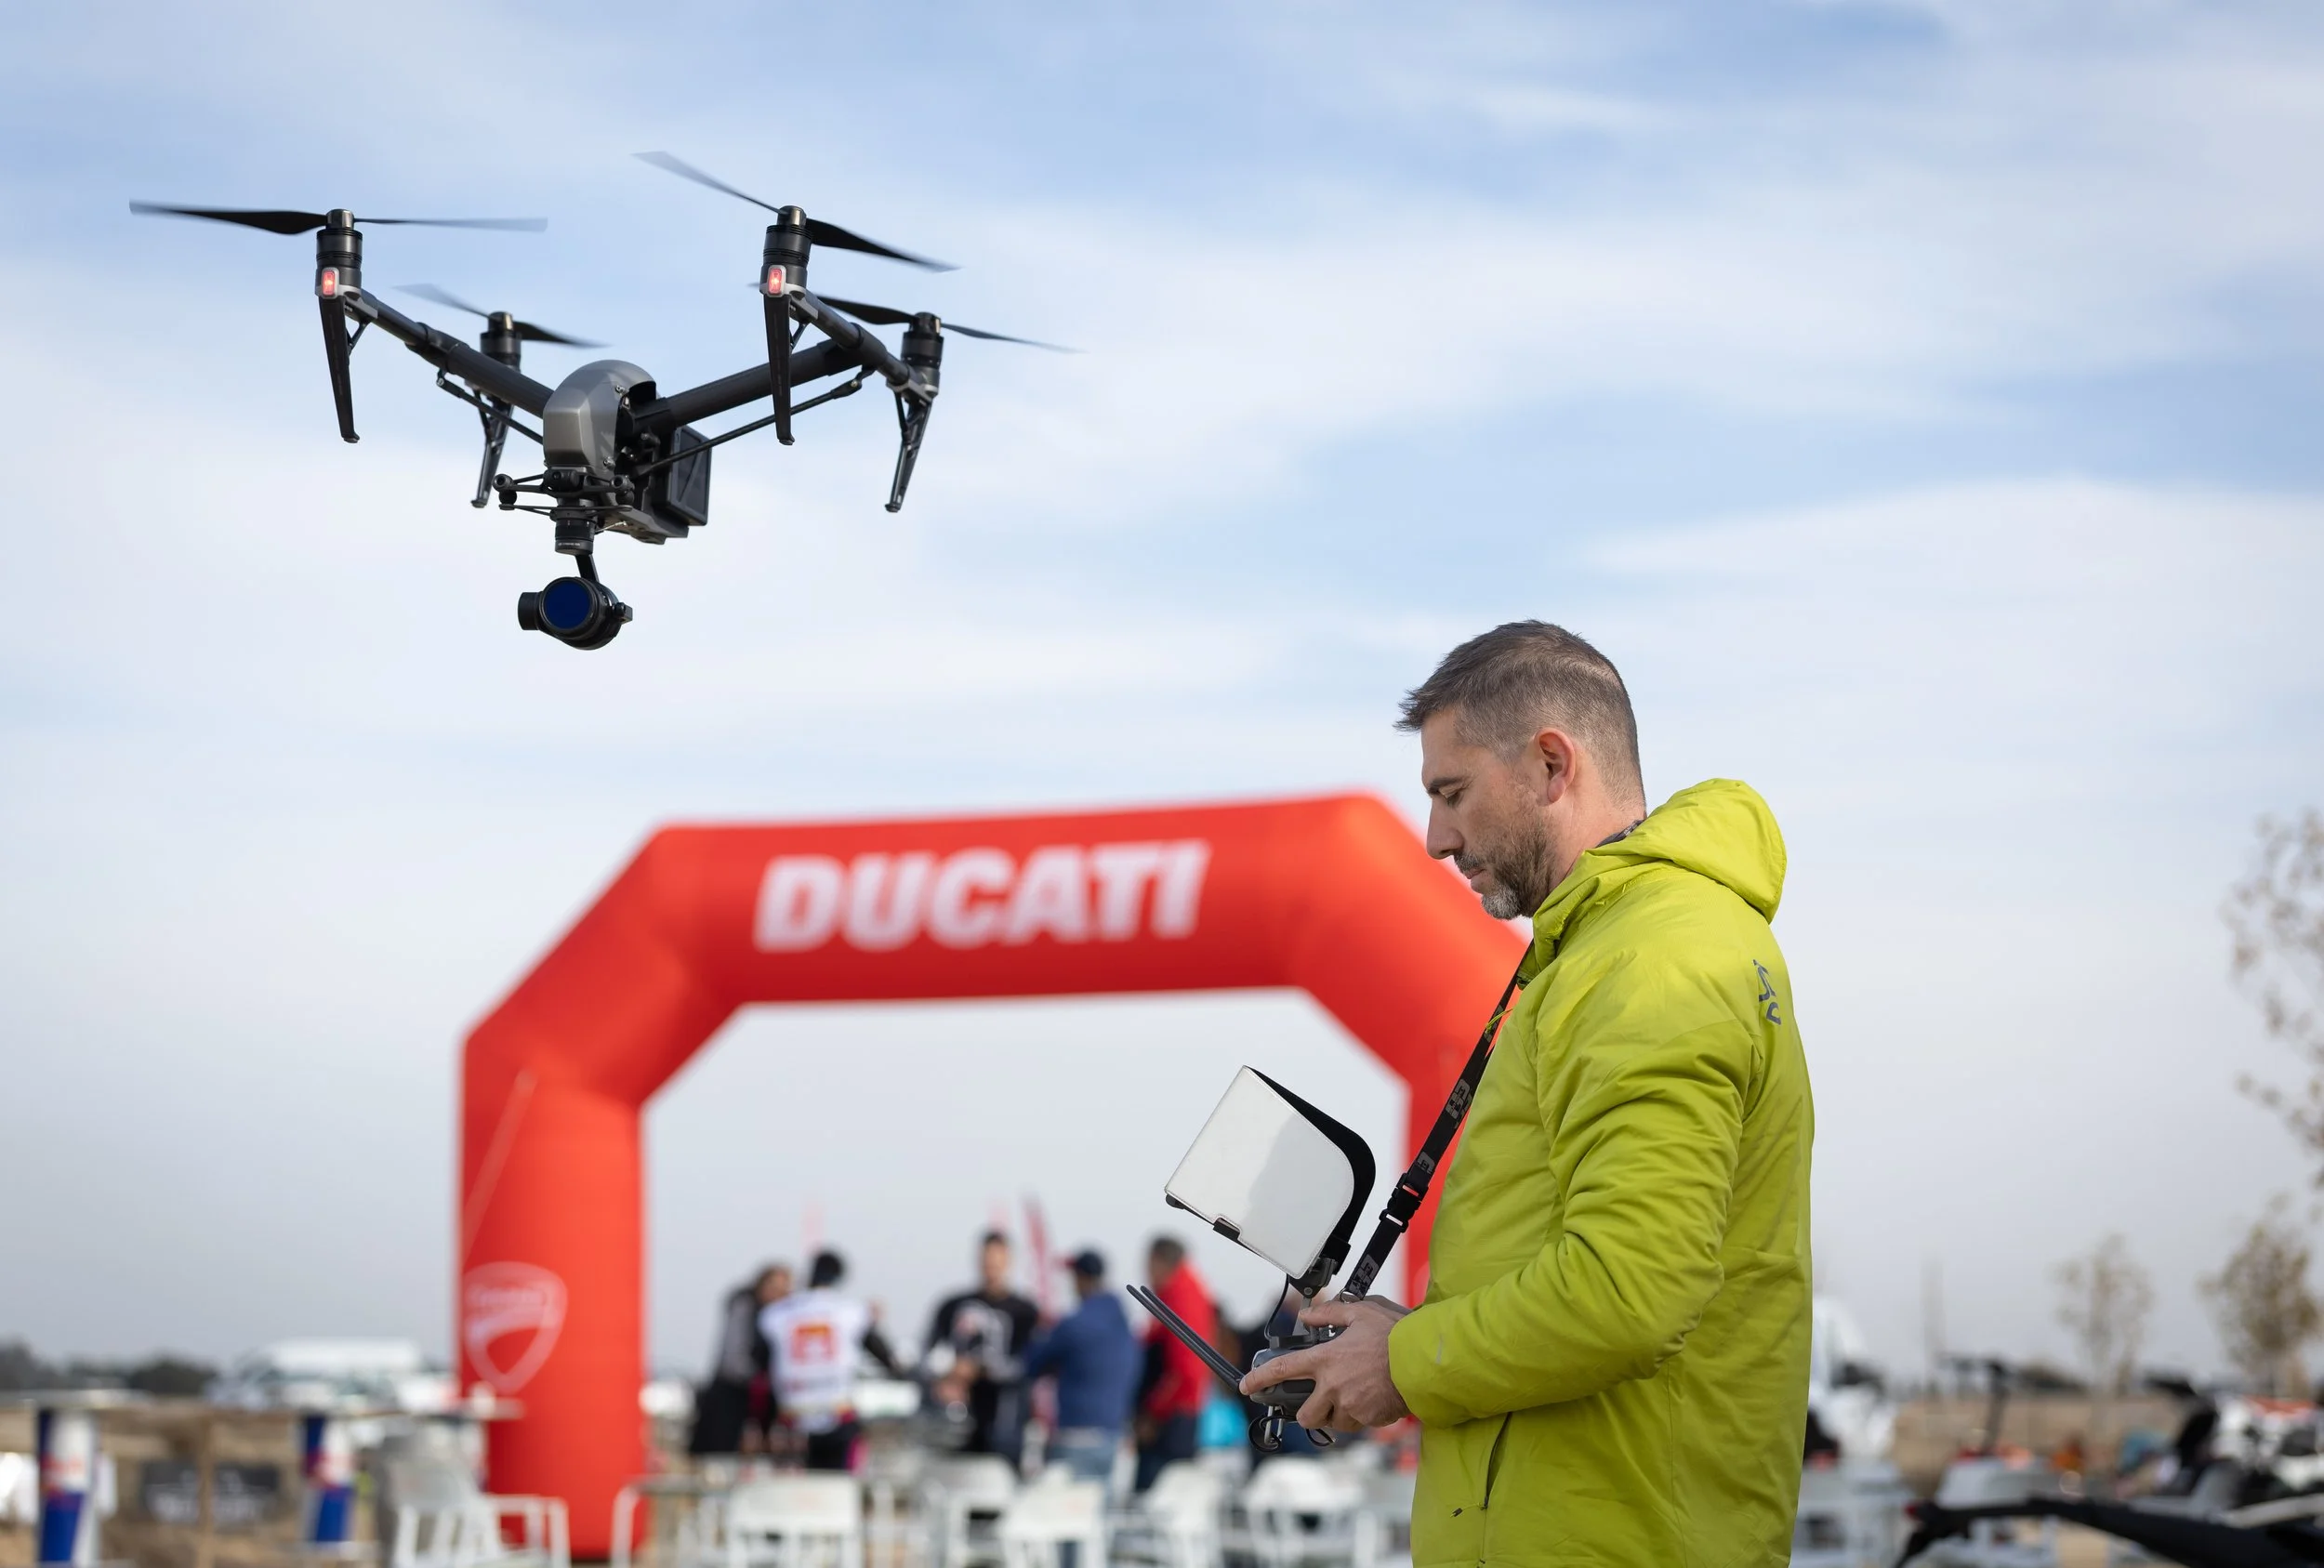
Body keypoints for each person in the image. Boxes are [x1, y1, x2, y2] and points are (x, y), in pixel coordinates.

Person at [1244, 621, 1815, 1566]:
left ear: (1552, 765)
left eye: (1451, 793)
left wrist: (1407, 1362)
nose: (1433, 839)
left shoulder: (1655, 958)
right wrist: (1410, 1340)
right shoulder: (1607, 949)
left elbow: (1630, 1287)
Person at [759, 1249, 900, 1471]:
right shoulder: (851, 1311)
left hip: (790, 1420)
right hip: (838, 1417)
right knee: (838, 1487)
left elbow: (761, 1362)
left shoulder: (776, 1313)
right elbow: (885, 1356)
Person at [1020, 1248, 1139, 1493]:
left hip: (1076, 1436)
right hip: (1113, 1436)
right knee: (1097, 1521)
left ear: (1080, 1278)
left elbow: (1031, 1364)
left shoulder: (1074, 1324)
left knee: (1064, 1520)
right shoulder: (1123, 1325)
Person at [925, 1231, 1041, 1464]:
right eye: (986, 1261)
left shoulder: (1025, 1312)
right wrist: (948, 1375)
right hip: (956, 1423)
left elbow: (1027, 1365)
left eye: (997, 1261)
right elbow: (929, 1353)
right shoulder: (952, 1305)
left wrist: (979, 1369)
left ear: (1008, 1262)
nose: (991, 1268)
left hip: (1004, 1423)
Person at [1134, 1235, 1215, 1491]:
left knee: (1152, 1499)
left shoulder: (1182, 1298)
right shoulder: (1185, 1293)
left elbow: (1184, 1371)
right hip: (1177, 1415)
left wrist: (1153, 1415)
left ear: (1158, 1262)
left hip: (1171, 1421)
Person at [689, 1262, 788, 1456]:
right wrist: (759, 1380)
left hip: (760, 1398)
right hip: (732, 1394)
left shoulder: (778, 1318)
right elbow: (734, 1359)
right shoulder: (745, 1307)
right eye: (774, 1288)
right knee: (720, 1453)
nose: (777, 1295)